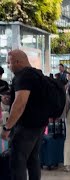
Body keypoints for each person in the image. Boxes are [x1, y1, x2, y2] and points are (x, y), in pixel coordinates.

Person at [1, 49, 47, 180]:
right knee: (33, 159)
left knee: (18, 161)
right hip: (39, 125)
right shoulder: (37, 74)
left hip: (26, 126)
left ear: (17, 61)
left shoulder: (23, 76)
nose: (8, 66)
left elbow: (20, 104)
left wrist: (7, 127)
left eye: (9, 63)